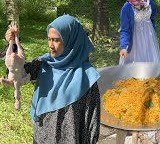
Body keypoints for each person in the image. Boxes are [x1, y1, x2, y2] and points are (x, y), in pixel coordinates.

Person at [5, 15, 101, 143]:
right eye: (49, 39)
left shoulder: (87, 77)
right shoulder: (43, 64)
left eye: (56, 40)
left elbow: (92, 122)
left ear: (70, 41)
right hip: (43, 138)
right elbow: (16, 72)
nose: (50, 45)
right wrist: (13, 45)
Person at [119, 0, 160, 64]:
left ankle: (150, 79)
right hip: (134, 43)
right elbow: (124, 30)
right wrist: (123, 47)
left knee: (150, 65)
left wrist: (153, 35)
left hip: (149, 41)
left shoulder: (150, 4)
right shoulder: (127, 8)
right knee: (135, 67)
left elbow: (152, 19)